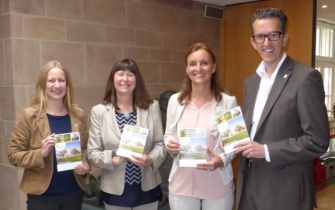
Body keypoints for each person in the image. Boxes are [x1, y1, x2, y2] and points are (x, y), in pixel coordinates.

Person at [233, 7, 330, 210]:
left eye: (273, 35)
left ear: (284, 38)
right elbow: (252, 131)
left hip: (285, 193)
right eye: (260, 36)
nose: (266, 43)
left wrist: (266, 150)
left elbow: (317, 142)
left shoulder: (305, 78)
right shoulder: (250, 83)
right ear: (253, 42)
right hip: (248, 188)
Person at [164, 42, 238, 210]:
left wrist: (221, 160)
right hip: (182, 185)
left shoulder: (227, 102)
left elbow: (234, 142)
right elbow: (168, 134)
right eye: (193, 64)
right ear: (186, 69)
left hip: (216, 184)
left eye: (204, 63)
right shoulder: (175, 101)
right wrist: (170, 144)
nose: (199, 68)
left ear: (213, 67)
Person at [8, 60, 89, 210]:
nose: (57, 85)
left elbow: (83, 150)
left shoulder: (78, 115)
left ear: (67, 85)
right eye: (51, 80)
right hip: (41, 197)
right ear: (42, 84)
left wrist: (83, 167)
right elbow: (13, 155)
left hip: (73, 193)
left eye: (61, 80)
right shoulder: (29, 115)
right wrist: (41, 153)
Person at [87, 58, 166, 210]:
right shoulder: (99, 111)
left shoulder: (151, 107)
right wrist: (113, 159)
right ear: (113, 79)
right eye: (120, 74)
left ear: (137, 79)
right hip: (114, 190)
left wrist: (150, 159)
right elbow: (92, 151)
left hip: (147, 188)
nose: (125, 79)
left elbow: (160, 144)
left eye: (130, 74)